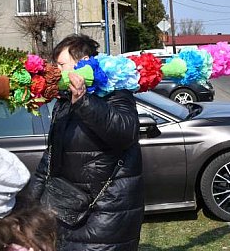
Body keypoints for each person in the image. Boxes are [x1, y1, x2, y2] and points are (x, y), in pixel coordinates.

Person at [26, 34, 143, 250]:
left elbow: (126, 132)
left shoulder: (115, 92)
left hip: (105, 212)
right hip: (68, 209)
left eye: (61, 65)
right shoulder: (63, 101)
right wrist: (28, 207)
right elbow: (50, 160)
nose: (57, 71)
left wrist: (83, 101)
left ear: (83, 62)